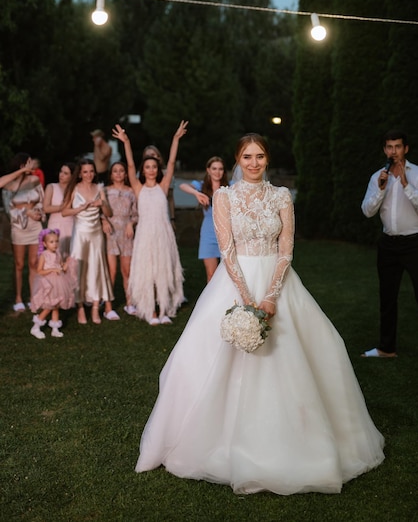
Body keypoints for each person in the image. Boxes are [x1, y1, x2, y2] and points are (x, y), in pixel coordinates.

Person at [135, 133, 385, 495]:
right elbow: (227, 250)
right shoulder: (224, 196)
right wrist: (246, 298)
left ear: (268, 159)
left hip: (277, 282)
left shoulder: (282, 196)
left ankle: (302, 439)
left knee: (310, 350)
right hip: (235, 282)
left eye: (260, 156)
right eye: (247, 156)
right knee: (208, 360)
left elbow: (286, 250)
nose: (254, 162)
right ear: (239, 159)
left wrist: (270, 296)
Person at [112, 121, 188, 325]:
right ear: (143, 171)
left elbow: (171, 164)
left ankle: (163, 309)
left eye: (154, 166)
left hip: (163, 234)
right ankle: (151, 311)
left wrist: (175, 139)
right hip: (145, 234)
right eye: (147, 167)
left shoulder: (163, 186)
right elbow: (129, 165)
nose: (152, 170)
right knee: (148, 271)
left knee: (163, 269)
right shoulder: (138, 187)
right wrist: (126, 142)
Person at [361, 129, 418, 358]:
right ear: (385, 150)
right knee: (387, 298)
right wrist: (381, 190)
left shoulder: (416, 174)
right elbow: (367, 211)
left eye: (398, 147)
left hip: (415, 243)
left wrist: (406, 184)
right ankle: (386, 348)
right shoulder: (378, 177)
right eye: (389, 147)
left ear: (406, 149)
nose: (393, 151)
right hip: (388, 245)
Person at [62, 158, 117, 324]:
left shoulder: (99, 188)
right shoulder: (74, 188)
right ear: (80, 173)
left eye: (91, 171)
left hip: (96, 234)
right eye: (85, 172)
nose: (89, 175)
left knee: (97, 267)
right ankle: (79, 307)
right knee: (78, 268)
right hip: (80, 233)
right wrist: (79, 208)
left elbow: (108, 214)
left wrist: (102, 203)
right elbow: (64, 211)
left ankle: (94, 308)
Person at [2, 153, 45, 312]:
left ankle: (33, 296)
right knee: (19, 264)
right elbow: (9, 209)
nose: (32, 164)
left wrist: (38, 212)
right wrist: (25, 212)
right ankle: (18, 297)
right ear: (21, 165)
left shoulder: (34, 181)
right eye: (28, 162)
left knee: (34, 263)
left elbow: (41, 200)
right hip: (19, 227)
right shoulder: (9, 185)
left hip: (35, 226)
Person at [179, 156, 229, 282]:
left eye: (220, 169)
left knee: (228, 275)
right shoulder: (201, 186)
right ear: (208, 170)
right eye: (214, 168)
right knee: (211, 274)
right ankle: (212, 302)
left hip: (227, 234)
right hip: (208, 233)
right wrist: (197, 193)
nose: (217, 172)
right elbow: (183, 186)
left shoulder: (230, 187)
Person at [102, 161, 138, 315]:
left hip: (126, 232)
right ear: (111, 174)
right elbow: (99, 210)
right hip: (110, 232)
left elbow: (136, 213)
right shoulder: (105, 190)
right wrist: (103, 221)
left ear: (125, 173)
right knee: (111, 271)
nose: (118, 173)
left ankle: (129, 302)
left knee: (127, 270)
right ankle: (108, 306)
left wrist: (131, 223)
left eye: (121, 171)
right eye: (115, 171)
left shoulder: (131, 192)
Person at [30, 228, 77, 339]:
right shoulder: (44, 255)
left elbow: (62, 269)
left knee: (56, 306)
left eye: (56, 241)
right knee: (49, 306)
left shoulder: (58, 254)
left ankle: (55, 329)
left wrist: (68, 263)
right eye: (51, 242)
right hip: (49, 283)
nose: (55, 244)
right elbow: (39, 271)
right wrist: (52, 270)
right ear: (45, 244)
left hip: (59, 283)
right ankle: (36, 326)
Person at [43, 162, 76, 257]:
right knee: (55, 255)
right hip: (55, 225)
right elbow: (46, 208)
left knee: (71, 256)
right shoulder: (51, 187)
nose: (61, 175)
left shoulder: (75, 189)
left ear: (72, 176)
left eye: (65, 173)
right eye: (61, 172)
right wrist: (62, 207)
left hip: (71, 224)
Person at [142, 145, 176, 225]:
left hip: (162, 215)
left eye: (153, 155)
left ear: (159, 157)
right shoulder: (140, 175)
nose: (151, 157)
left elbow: (170, 198)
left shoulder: (166, 174)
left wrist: (172, 218)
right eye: (148, 156)